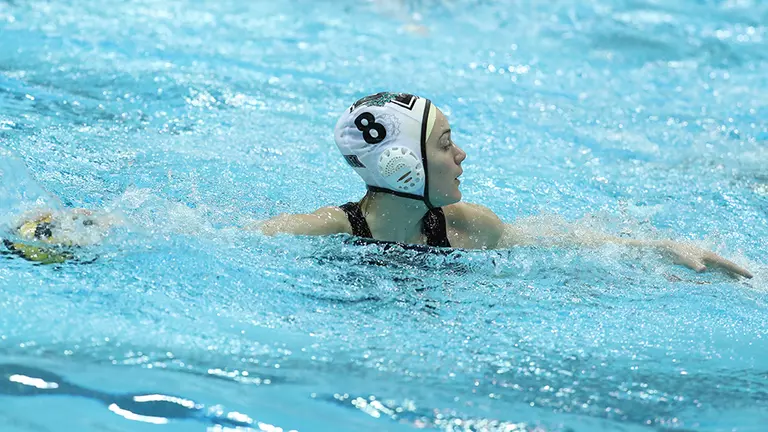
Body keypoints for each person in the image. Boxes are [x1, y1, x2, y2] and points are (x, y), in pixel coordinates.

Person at [248, 92, 753, 278]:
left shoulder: (470, 226)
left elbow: (566, 245)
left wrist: (658, 247)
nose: (460, 156)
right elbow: (232, 238)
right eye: (445, 143)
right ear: (402, 164)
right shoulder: (327, 230)